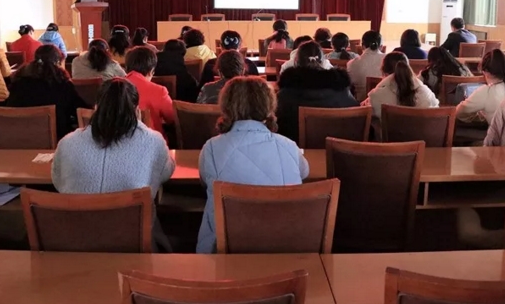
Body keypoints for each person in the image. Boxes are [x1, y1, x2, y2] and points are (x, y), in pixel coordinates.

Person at [197, 77, 309, 253]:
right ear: (268, 105)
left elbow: (205, 181)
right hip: (285, 247)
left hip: (226, 251)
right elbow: (304, 172)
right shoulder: (289, 146)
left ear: (226, 105)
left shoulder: (212, 148)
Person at [52, 78, 174, 196]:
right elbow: (164, 172)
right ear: (137, 111)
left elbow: (58, 180)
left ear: (95, 108)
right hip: (132, 211)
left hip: (78, 210)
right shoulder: (154, 142)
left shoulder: (66, 143)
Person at [276, 41, 359, 143]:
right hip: (338, 149)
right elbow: (356, 119)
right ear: (324, 62)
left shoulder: (285, 95)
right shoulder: (342, 91)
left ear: (296, 62)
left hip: (295, 149)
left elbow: (276, 125)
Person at [7, 45, 88, 139]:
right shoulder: (62, 84)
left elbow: (10, 110)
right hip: (57, 141)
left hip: (19, 140)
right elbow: (80, 111)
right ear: (57, 62)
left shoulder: (18, 83)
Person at [363, 52, 439, 121]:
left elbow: (364, 115)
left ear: (384, 73)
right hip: (424, 132)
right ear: (408, 69)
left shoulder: (377, 96)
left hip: (392, 132)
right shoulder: (426, 93)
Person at [125, 46, 175, 136]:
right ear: (151, 71)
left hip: (118, 142)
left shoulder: (112, 87)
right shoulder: (159, 91)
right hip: (152, 141)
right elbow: (172, 118)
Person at [346, 30, 386, 102]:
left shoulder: (351, 63)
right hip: (383, 104)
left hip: (360, 104)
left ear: (362, 46)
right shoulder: (389, 60)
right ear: (381, 47)